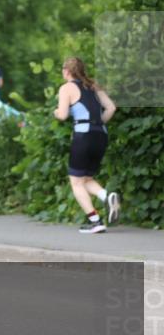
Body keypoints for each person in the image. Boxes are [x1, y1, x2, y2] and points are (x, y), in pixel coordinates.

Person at [53, 57, 121, 234]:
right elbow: (111, 108)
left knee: (76, 182)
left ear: (67, 71)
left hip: (83, 135)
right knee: (86, 179)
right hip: (101, 134)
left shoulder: (66, 88)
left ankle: (95, 221)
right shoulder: (94, 86)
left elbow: (62, 114)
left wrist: (55, 112)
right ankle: (107, 197)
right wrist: (98, 123)